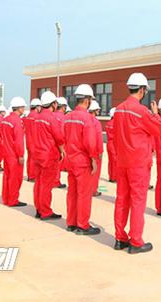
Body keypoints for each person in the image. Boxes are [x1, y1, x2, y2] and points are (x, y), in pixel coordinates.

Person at [113, 73, 161, 254]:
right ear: (142, 90)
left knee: (122, 199)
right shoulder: (141, 111)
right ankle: (136, 240)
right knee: (137, 201)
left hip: (122, 161)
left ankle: (120, 238)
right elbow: (158, 130)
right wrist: (156, 114)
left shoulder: (119, 109)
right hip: (138, 163)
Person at [63, 84, 100, 236]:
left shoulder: (68, 117)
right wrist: (93, 158)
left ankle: (71, 222)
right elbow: (90, 142)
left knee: (72, 193)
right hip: (82, 161)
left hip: (70, 160)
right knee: (84, 193)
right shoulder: (87, 118)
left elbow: (63, 137)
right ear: (86, 100)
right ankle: (83, 225)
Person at [33, 91, 64, 220]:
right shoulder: (51, 118)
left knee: (39, 183)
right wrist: (62, 150)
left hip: (38, 154)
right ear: (53, 104)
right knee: (46, 185)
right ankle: (46, 211)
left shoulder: (37, 117)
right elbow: (59, 137)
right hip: (49, 155)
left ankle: (39, 209)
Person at [0, 97, 27, 207]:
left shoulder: (6, 119)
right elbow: (19, 140)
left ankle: (6, 199)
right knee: (15, 178)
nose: (24, 109)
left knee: (7, 176)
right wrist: (21, 155)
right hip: (14, 154)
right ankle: (13, 200)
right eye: (23, 107)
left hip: (6, 152)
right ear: (19, 108)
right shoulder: (16, 121)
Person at [52, 97, 69, 188]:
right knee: (57, 164)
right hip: (59, 143)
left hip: (50, 143)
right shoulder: (63, 117)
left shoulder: (52, 115)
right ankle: (56, 181)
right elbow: (62, 133)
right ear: (63, 107)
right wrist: (62, 147)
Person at [88, 100, 104, 197]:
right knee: (95, 172)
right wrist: (101, 151)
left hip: (86, 149)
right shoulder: (96, 122)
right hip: (95, 150)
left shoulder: (85, 119)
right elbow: (99, 138)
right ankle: (93, 190)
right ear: (95, 110)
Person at [23, 98, 41, 182]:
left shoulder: (28, 116)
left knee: (29, 158)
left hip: (28, 140)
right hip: (34, 140)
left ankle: (29, 175)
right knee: (34, 159)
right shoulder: (36, 116)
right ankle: (33, 176)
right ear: (37, 107)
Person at [105, 107, 117, 183]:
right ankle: (114, 177)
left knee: (110, 161)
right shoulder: (116, 123)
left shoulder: (108, 123)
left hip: (109, 143)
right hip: (114, 143)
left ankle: (111, 176)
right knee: (115, 161)